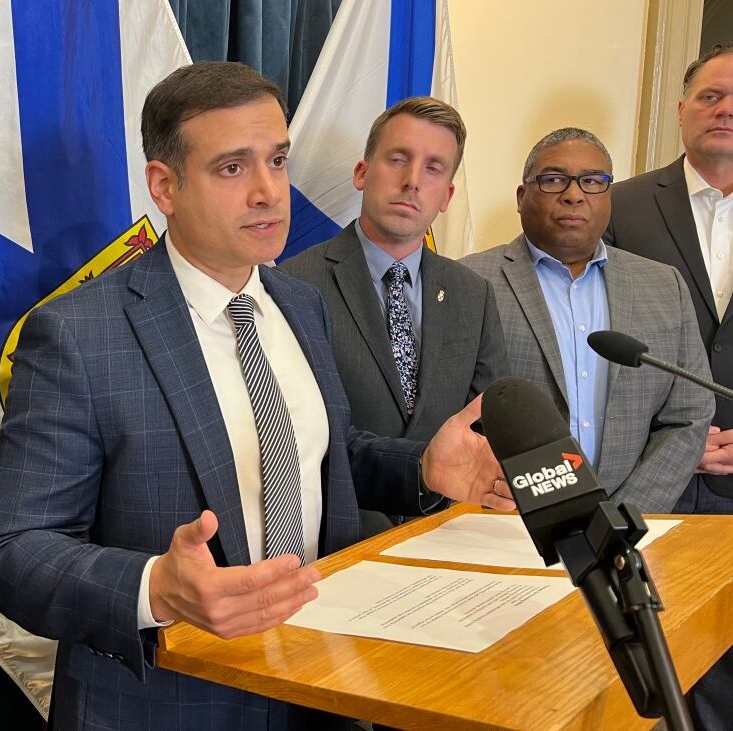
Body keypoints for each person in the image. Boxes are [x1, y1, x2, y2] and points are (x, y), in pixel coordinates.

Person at [0, 62, 514, 731]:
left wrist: (420, 468)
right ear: (164, 186)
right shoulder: (78, 334)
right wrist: (156, 588)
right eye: (232, 168)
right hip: (168, 704)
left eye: (278, 160)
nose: (268, 192)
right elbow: (14, 551)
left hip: (324, 687)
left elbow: (324, 449)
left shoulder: (299, 302)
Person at [281, 97, 506, 530]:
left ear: (447, 197)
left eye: (433, 168)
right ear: (362, 173)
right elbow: (299, 440)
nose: (412, 181)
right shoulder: (294, 284)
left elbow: (486, 421)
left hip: (447, 537)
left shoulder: (472, 293)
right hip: (338, 540)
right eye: (398, 159)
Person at [461, 127, 714, 513]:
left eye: (593, 181)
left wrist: (626, 515)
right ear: (521, 196)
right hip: (505, 522)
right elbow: (452, 417)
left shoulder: (664, 286)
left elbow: (689, 415)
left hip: (634, 528)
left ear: (609, 197)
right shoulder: (468, 282)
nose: (574, 194)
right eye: (553, 180)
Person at [605, 44, 733, 731]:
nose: (725, 109)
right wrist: (686, 442)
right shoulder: (618, 205)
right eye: (710, 95)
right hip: (645, 478)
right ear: (681, 110)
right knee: (649, 667)